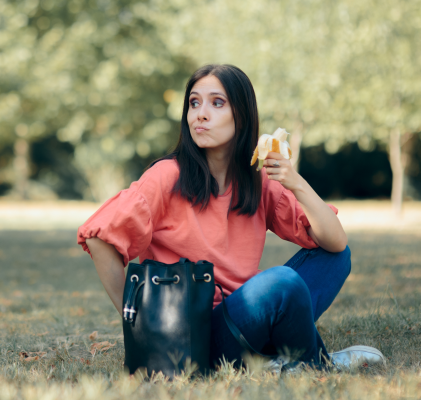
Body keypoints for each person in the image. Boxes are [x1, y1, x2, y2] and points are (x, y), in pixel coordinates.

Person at [77, 64, 385, 372]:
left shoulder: (256, 180)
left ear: (242, 115)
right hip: (193, 336)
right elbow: (99, 237)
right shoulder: (167, 176)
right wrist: (139, 324)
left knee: (336, 258)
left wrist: (295, 182)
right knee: (282, 283)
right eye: (194, 103)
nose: (200, 113)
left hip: (244, 317)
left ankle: (276, 361)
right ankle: (316, 364)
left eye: (217, 103)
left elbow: (335, 241)